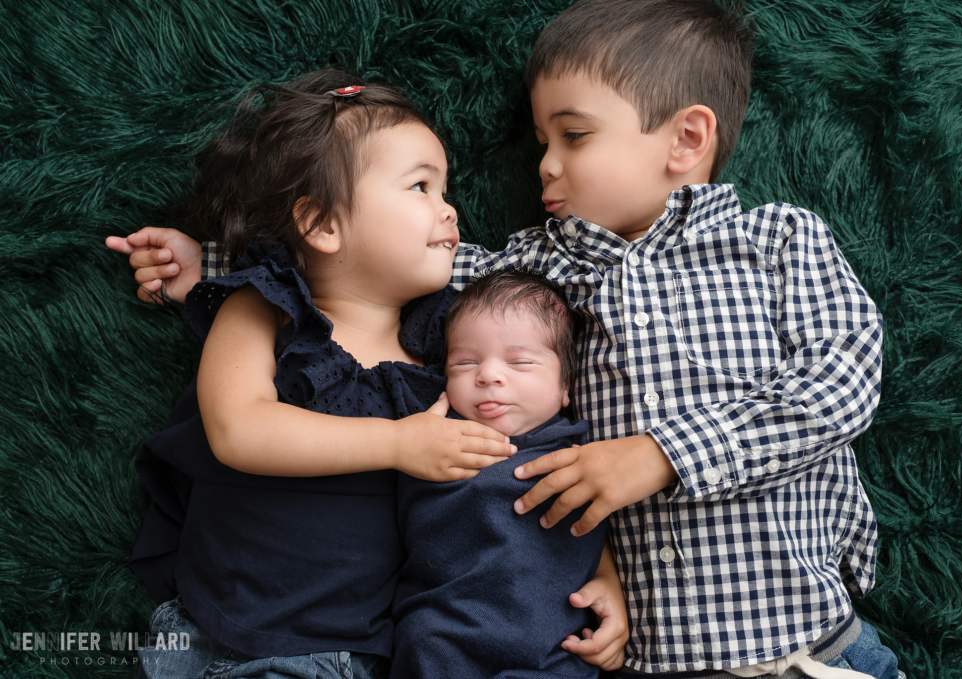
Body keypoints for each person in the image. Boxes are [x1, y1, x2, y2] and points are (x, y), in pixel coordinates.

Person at [112, 0, 905, 676]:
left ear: (685, 141)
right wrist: (210, 258)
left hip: (808, 635)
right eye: (539, 144)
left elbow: (842, 381)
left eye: (573, 136)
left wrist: (661, 454)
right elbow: (373, 259)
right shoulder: (535, 265)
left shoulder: (776, 242)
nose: (547, 168)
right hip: (646, 652)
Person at [124, 68, 626, 679]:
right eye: (421, 187)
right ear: (323, 225)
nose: (449, 211)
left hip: (375, 653)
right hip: (238, 634)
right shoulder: (263, 307)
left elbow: (519, 481)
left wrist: (597, 574)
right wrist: (397, 443)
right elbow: (238, 428)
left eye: (446, 191)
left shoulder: (451, 349)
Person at [392, 269, 612, 678]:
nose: (489, 375)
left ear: (566, 385)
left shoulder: (577, 457)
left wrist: (606, 577)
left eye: (520, 362)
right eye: (465, 362)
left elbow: (592, 529)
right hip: (441, 641)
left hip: (551, 649)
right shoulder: (430, 440)